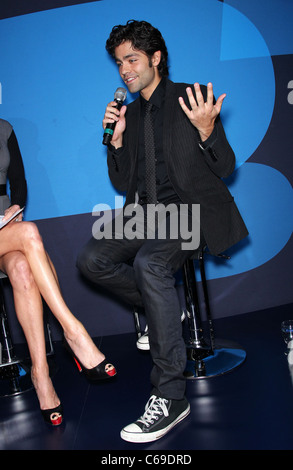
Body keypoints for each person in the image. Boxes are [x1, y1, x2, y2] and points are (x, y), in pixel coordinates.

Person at [77, 20, 248, 443]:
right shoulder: (130, 114)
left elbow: (225, 167)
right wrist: (115, 144)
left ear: (156, 58)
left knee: (150, 262)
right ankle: (166, 310)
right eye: (119, 63)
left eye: (132, 60)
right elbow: (123, 184)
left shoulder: (191, 98)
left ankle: (170, 396)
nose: (124, 71)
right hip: (148, 213)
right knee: (91, 260)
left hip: (191, 211)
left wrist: (207, 129)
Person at [0, 119, 116, 426]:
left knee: (23, 268)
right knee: (30, 234)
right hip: (13, 235)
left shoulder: (4, 128)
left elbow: (18, 181)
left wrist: (15, 208)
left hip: (5, 230)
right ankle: (73, 331)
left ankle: (41, 375)